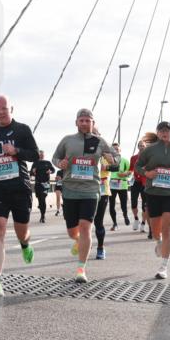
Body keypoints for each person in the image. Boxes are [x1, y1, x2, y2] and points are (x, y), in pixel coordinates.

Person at [0, 95, 40, 296]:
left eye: (4, 108)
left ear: (11, 109)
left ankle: (25, 244)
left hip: (20, 187)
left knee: (22, 230)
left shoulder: (23, 129)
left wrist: (16, 150)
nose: (0, 112)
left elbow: (35, 155)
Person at [53, 108, 118, 283]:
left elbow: (117, 158)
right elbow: (55, 159)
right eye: (81, 120)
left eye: (87, 120)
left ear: (93, 123)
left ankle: (81, 269)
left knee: (85, 227)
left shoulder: (100, 141)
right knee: (72, 231)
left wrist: (112, 161)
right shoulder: (67, 140)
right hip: (70, 190)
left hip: (91, 190)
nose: (84, 123)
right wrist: (61, 163)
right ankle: (77, 241)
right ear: (76, 122)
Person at [135, 121, 170, 280]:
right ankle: (158, 241)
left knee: (167, 228)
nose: (165, 133)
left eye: (167, 131)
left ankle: (163, 267)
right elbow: (138, 166)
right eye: (161, 131)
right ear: (157, 133)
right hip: (153, 193)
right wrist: (147, 174)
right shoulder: (150, 150)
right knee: (156, 231)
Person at [107, 142, 132, 231]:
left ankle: (125, 215)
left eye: (117, 149)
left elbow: (130, 171)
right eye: (114, 150)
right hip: (112, 184)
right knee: (111, 205)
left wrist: (125, 175)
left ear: (120, 150)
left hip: (122, 184)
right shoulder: (109, 160)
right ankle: (115, 223)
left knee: (123, 204)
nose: (115, 151)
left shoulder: (125, 160)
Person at [129, 141, 150, 235]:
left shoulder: (149, 158)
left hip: (145, 183)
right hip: (135, 182)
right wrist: (126, 173)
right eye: (140, 146)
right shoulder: (133, 158)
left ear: (146, 147)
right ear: (138, 147)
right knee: (133, 203)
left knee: (145, 206)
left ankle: (143, 223)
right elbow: (130, 169)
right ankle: (136, 219)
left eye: (143, 146)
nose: (141, 147)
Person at [94, 155, 113, 259]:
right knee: (83, 221)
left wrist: (107, 167)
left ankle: (100, 248)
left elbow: (116, 166)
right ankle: (81, 242)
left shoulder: (106, 157)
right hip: (87, 191)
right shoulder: (85, 155)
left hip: (102, 192)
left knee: (98, 221)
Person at [30, 150, 56, 224]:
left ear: (44, 155)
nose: (41, 155)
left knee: (43, 197)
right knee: (40, 199)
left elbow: (53, 170)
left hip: (46, 184)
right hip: (38, 183)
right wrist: (33, 172)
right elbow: (31, 173)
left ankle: (42, 215)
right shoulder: (35, 163)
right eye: (40, 154)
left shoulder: (47, 162)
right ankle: (42, 210)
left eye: (42, 154)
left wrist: (50, 171)